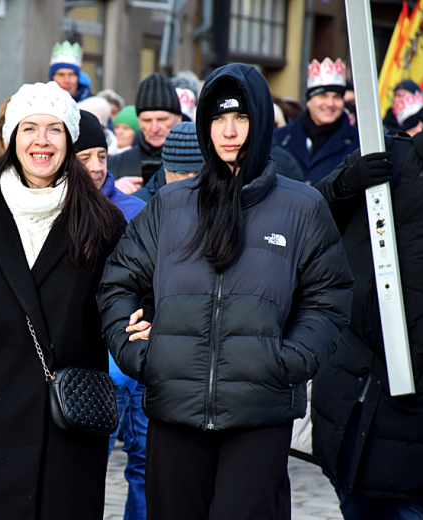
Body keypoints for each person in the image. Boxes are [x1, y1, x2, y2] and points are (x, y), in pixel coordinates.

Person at [97, 63, 354, 520]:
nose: (229, 131)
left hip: (260, 409)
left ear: (259, 121)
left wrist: (287, 360)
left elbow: (328, 297)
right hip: (174, 407)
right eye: (217, 119)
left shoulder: (302, 206)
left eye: (241, 118)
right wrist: (139, 353)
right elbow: (119, 281)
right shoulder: (171, 204)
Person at [0, 81, 126, 519]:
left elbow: (121, 306)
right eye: (29, 128)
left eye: (54, 129)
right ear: (12, 137)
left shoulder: (102, 222)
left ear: (69, 140)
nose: (41, 141)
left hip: (64, 427)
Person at [311, 71, 423, 520]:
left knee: (407, 509)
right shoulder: (385, 155)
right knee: (353, 499)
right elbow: (313, 223)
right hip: (352, 370)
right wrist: (345, 184)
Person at [76, 109, 147, 520]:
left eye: (102, 155)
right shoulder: (58, 211)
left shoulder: (134, 210)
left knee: (143, 465)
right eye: (85, 157)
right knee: (85, 465)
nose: (98, 167)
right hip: (84, 362)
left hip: (133, 358)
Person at [273, 58, 359, 186]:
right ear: (309, 101)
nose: (330, 104)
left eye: (336, 97)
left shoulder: (359, 141)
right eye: (323, 96)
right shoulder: (278, 138)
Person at [110, 73, 183, 195]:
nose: (154, 129)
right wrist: (111, 191)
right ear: (139, 121)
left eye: (162, 119)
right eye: (147, 120)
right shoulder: (115, 164)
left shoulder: (201, 160)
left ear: (179, 118)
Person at [133, 121, 204, 203]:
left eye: (199, 174)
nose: (193, 182)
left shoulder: (220, 204)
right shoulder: (139, 206)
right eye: (182, 173)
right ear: (165, 169)